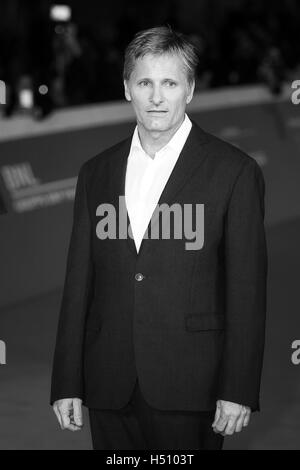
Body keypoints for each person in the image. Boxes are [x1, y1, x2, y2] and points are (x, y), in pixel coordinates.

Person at [50, 26, 268, 450]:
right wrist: (66, 381)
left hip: (191, 384)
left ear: (189, 90)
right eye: (145, 82)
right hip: (109, 381)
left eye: (169, 83)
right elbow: (79, 283)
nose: (156, 97)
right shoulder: (96, 172)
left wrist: (238, 388)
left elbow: (247, 290)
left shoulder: (234, 172)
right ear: (127, 88)